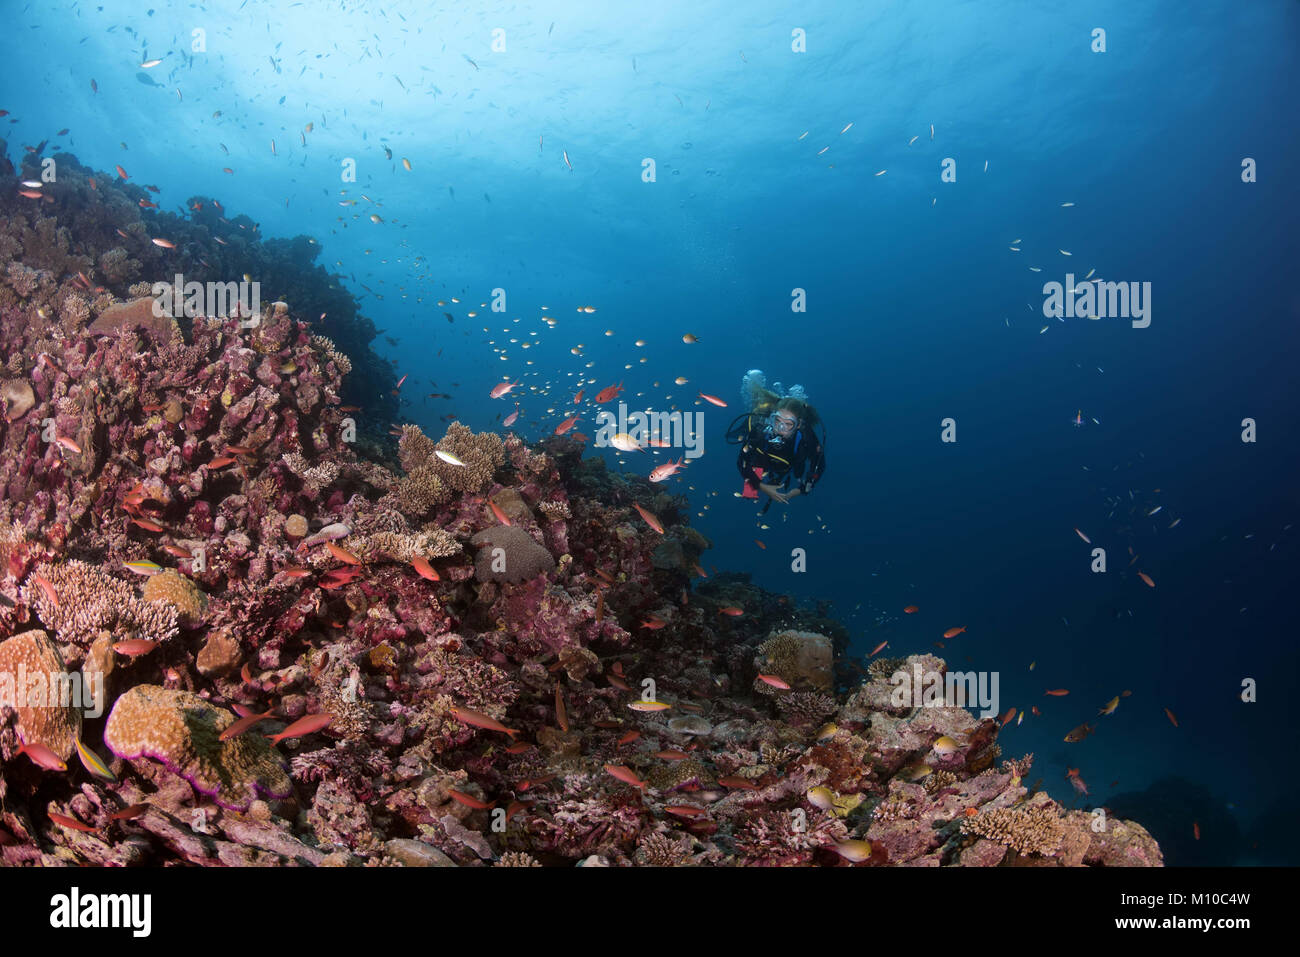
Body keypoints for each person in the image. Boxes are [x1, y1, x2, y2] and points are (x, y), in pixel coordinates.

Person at [727, 371, 826, 509]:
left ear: (798, 425)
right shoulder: (761, 429)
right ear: (771, 418)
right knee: (749, 493)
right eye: (777, 420)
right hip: (762, 459)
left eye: (788, 424)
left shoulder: (805, 436)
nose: (780, 428)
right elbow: (741, 462)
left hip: (790, 464)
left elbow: (819, 464)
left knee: (798, 470)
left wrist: (800, 490)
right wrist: (762, 486)